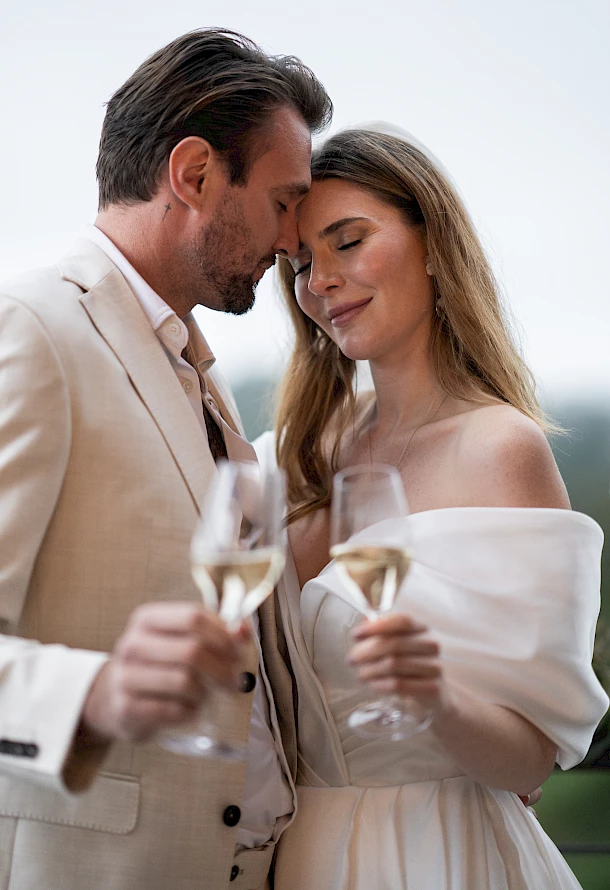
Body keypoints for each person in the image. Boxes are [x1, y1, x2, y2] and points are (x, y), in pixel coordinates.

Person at [0, 29, 331, 890]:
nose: (296, 240)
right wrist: (96, 694)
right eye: (285, 199)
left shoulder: (198, 373)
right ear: (193, 175)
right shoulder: (32, 331)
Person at [255, 128, 609, 889]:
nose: (319, 281)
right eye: (302, 263)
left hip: (434, 857)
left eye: (348, 242)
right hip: (291, 855)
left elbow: (528, 757)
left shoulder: (500, 450)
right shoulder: (293, 450)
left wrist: (430, 692)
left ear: (433, 241)